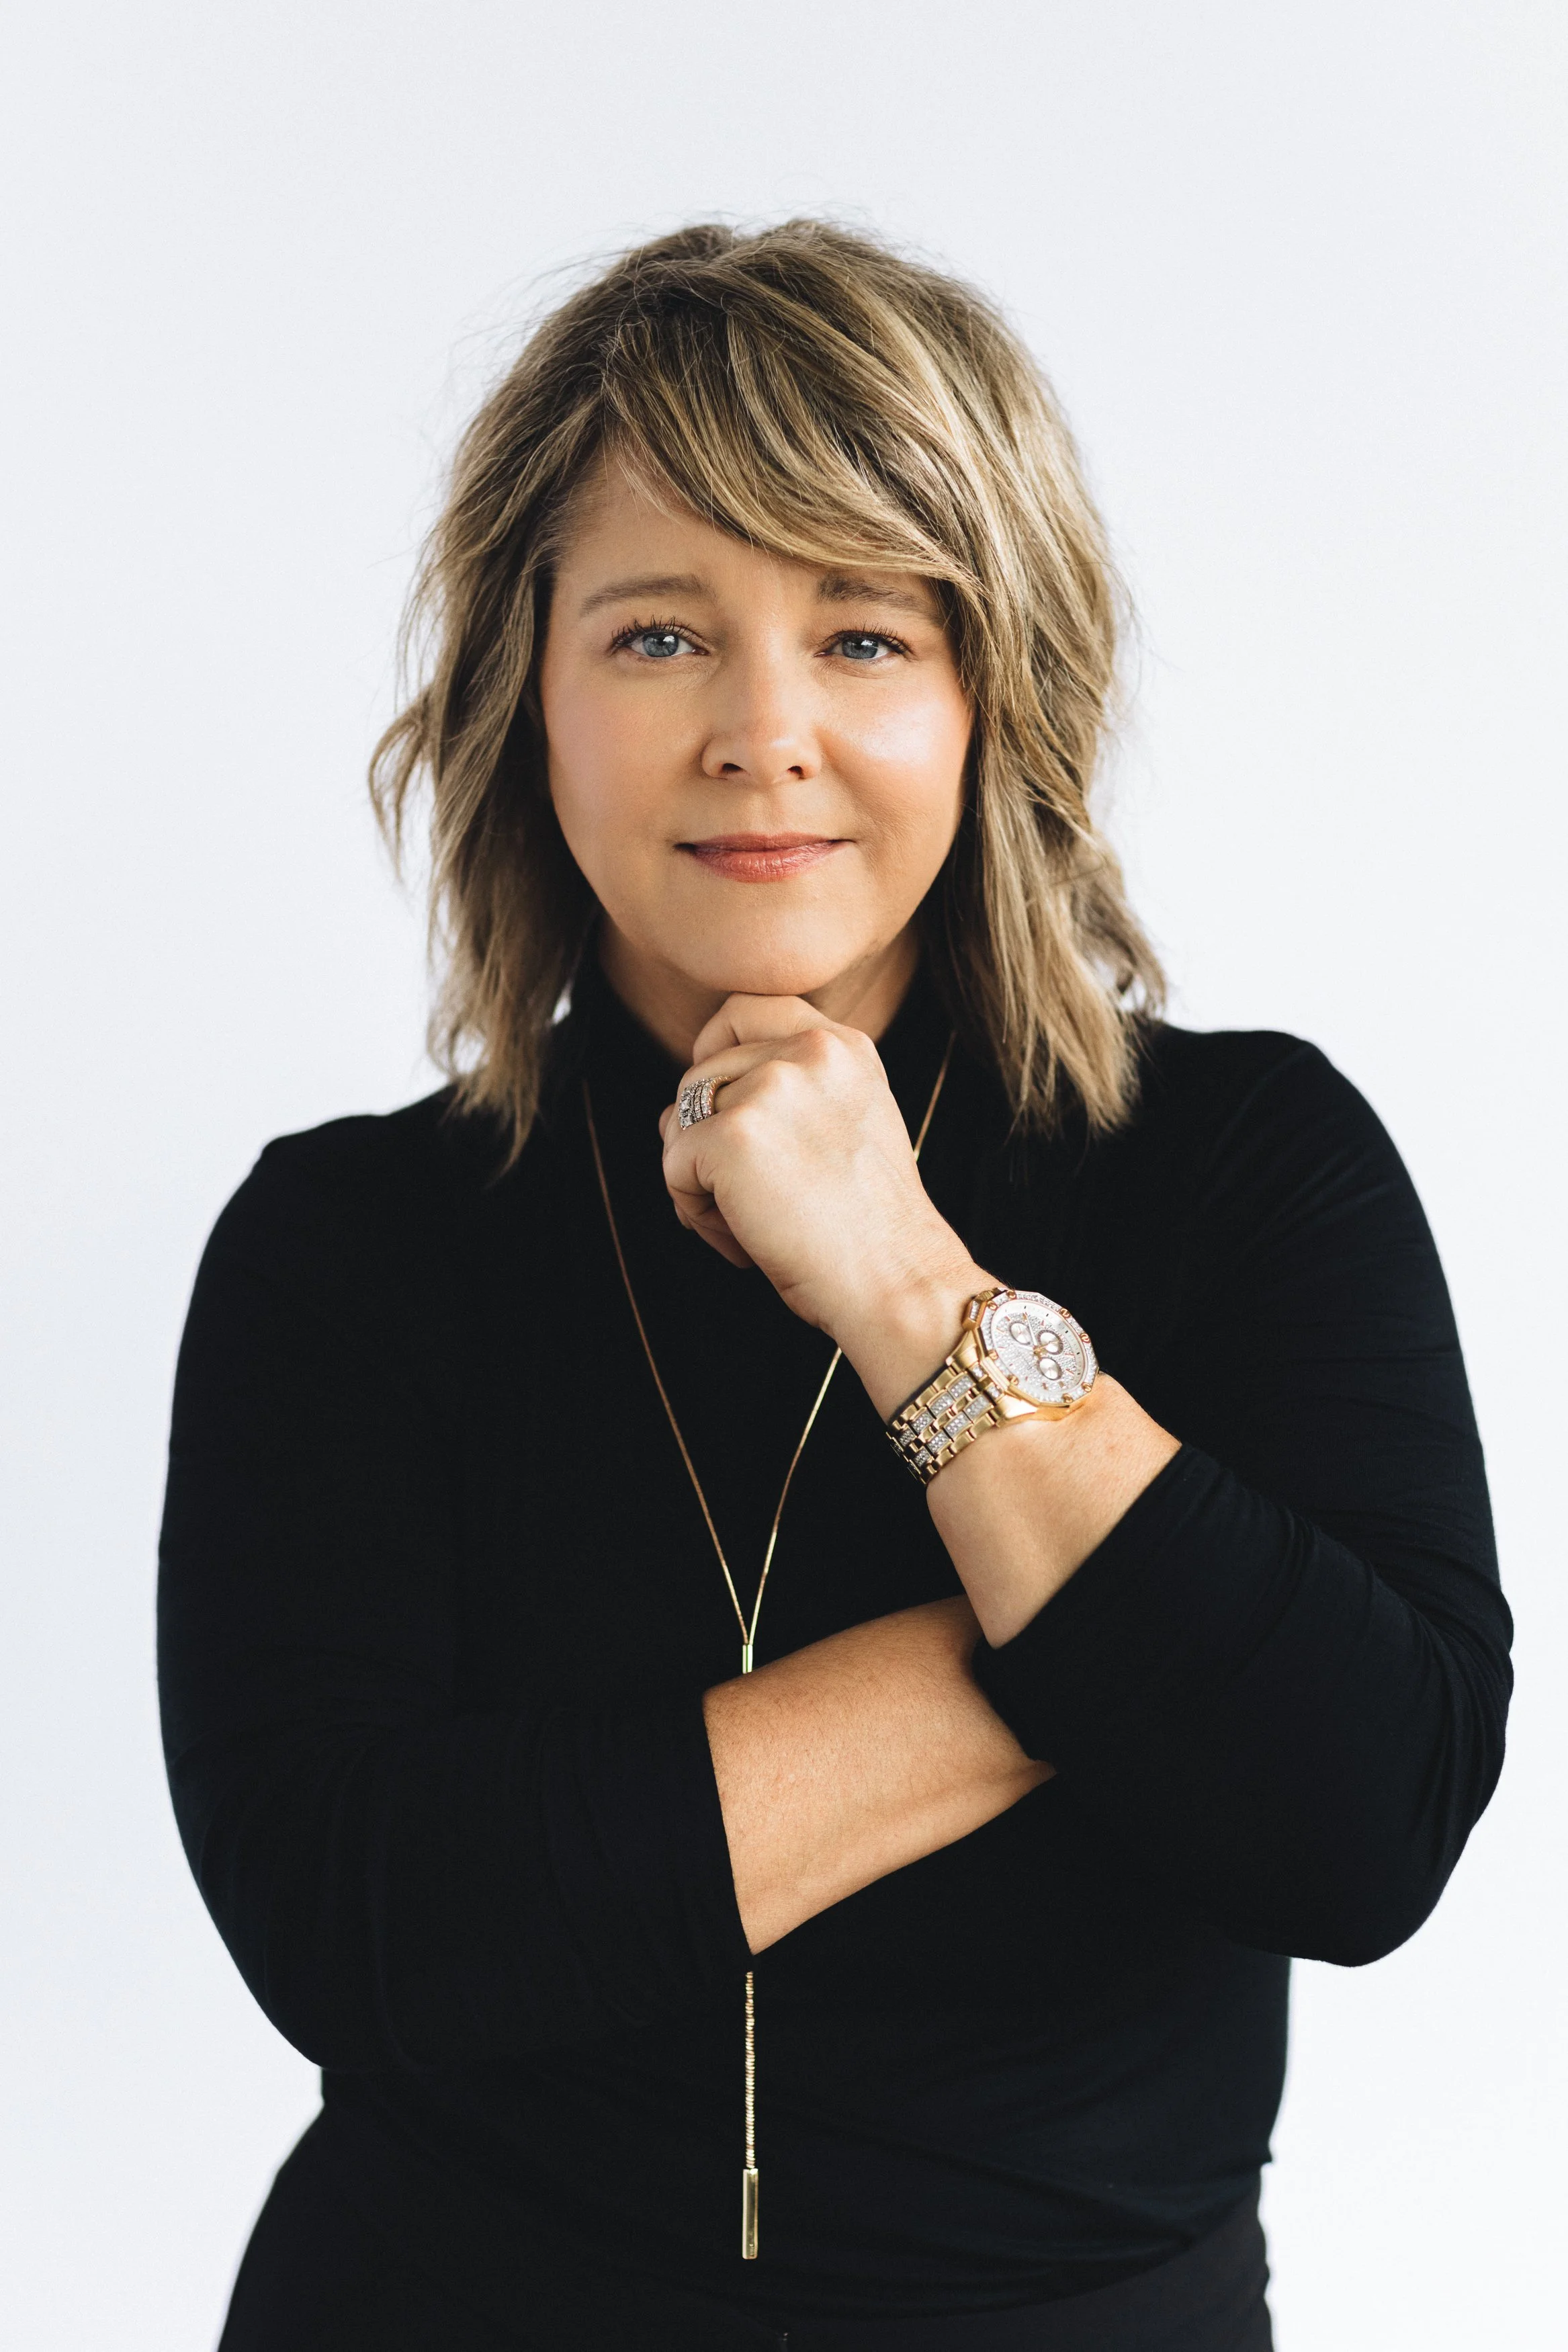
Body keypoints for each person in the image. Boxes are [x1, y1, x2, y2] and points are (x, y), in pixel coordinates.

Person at [157, 220, 1510, 2352]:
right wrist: (1105, 1634)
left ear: (994, 684)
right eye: (659, 635)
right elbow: (372, 1926)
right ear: (531, 691)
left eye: (864, 636)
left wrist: (893, 1273)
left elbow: (1357, 1819)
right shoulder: (345, 1247)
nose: (761, 734)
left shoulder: (1252, 1168)